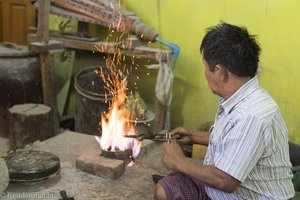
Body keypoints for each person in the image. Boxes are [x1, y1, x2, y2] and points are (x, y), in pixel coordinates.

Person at [154, 22, 296, 200]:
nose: (205, 73)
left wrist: (179, 162)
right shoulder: (240, 96)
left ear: (220, 72)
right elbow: (235, 141)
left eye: (205, 66)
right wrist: (193, 136)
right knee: (166, 190)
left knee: (170, 187)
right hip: (224, 190)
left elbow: (225, 180)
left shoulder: (251, 116)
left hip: (246, 195)